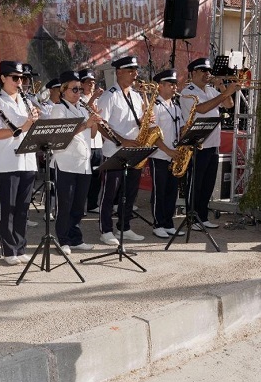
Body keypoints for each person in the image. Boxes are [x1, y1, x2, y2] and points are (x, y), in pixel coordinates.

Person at [179, 57, 239, 231]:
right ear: (194, 73)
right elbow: (202, 109)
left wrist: (222, 88)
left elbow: (229, 104)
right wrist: (224, 93)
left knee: (208, 183)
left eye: (208, 71)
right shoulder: (187, 91)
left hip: (213, 143)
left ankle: (202, 216)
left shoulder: (213, 90)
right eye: (203, 71)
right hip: (197, 144)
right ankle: (192, 217)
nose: (207, 74)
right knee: (195, 183)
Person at [95, 55, 149, 245]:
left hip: (135, 150)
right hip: (115, 151)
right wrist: (122, 141)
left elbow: (140, 121)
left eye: (135, 71)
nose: (135, 74)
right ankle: (106, 230)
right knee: (110, 193)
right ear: (119, 72)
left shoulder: (135, 95)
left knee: (130, 192)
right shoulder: (109, 96)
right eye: (131, 71)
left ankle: (124, 227)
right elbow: (101, 125)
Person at [0, 61, 40, 265]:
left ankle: (20, 247)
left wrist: (34, 122)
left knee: (23, 208)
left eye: (22, 78)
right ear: (3, 78)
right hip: (7, 160)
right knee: (8, 208)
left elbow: (31, 129)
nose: (20, 82)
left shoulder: (26, 100)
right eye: (15, 78)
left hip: (28, 160)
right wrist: (24, 125)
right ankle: (8, 249)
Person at [50, 70, 99, 254]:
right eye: (74, 89)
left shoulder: (82, 108)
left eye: (80, 89)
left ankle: (76, 238)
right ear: (63, 90)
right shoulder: (58, 109)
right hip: (65, 162)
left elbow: (92, 135)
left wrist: (95, 122)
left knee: (79, 205)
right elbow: (61, 135)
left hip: (83, 163)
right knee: (65, 204)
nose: (78, 92)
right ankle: (63, 240)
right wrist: (86, 124)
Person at [149, 69, 185, 238]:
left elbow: (182, 128)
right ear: (160, 86)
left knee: (172, 191)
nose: (174, 87)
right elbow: (152, 135)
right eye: (170, 84)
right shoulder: (155, 106)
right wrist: (168, 150)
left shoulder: (176, 106)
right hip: (160, 156)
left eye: (175, 84)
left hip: (174, 155)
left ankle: (168, 222)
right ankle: (158, 223)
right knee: (160, 191)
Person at [79, 69, 104, 214]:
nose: (92, 85)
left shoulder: (98, 100)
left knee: (96, 176)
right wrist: (93, 97)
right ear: (81, 84)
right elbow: (84, 110)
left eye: (93, 82)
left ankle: (93, 203)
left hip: (98, 143)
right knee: (84, 176)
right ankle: (81, 205)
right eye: (88, 82)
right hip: (85, 142)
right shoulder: (79, 98)